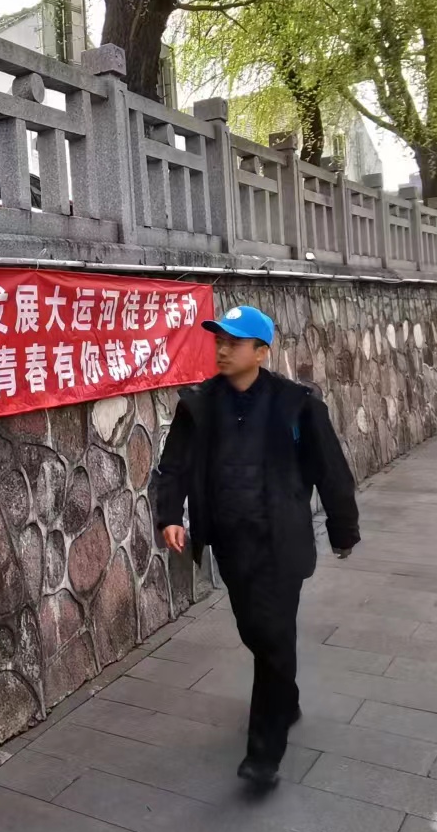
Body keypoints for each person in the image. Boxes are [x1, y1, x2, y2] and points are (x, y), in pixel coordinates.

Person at [150, 305, 360, 789]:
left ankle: (264, 754)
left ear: (261, 351)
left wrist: (343, 529)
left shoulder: (296, 404)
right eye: (219, 340)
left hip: (281, 541)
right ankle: (285, 696)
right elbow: (175, 465)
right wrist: (169, 516)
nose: (222, 350)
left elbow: (330, 469)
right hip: (230, 541)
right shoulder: (199, 403)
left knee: (271, 633)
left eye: (234, 342)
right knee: (256, 631)